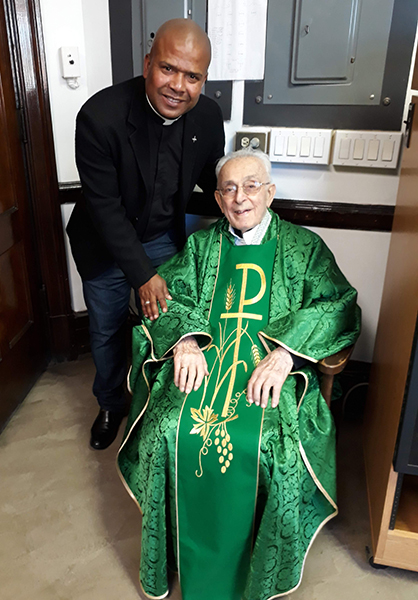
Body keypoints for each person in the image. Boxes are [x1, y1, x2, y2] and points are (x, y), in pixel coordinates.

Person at [117, 149, 361, 600]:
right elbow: (165, 297)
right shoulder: (202, 247)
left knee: (275, 447)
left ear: (269, 193)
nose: (240, 198)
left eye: (251, 186)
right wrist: (185, 342)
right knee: (166, 429)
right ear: (217, 197)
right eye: (228, 188)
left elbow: (338, 303)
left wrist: (287, 354)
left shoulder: (304, 247)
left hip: (272, 367)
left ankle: (259, 563)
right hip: (207, 361)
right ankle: (175, 546)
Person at [67, 19, 225, 449]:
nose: (179, 86)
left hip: (161, 235)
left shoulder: (208, 117)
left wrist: (243, 197)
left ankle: (156, 406)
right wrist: (141, 274)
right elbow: (105, 209)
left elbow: (211, 180)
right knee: (107, 326)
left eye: (192, 76)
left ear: (203, 79)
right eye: (168, 69)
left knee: (172, 321)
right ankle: (110, 403)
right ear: (147, 64)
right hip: (104, 241)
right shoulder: (100, 117)